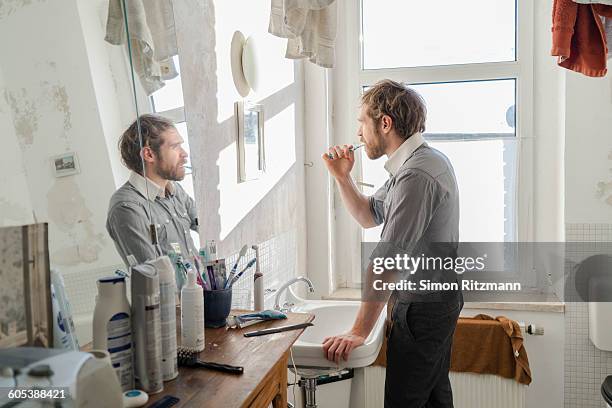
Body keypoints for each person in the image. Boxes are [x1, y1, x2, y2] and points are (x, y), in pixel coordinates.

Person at [321, 80, 463, 407]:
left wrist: (358, 330)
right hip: (429, 303)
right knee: (433, 401)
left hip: (424, 308)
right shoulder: (414, 165)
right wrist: (342, 177)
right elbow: (369, 214)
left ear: (384, 123)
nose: (358, 133)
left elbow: (388, 261)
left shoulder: (416, 175)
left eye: (361, 122)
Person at [106, 114, 198, 266]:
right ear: (149, 154)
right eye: (175, 147)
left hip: (203, 288)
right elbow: (155, 275)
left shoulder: (175, 190)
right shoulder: (126, 207)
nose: (184, 154)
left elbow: (206, 225)